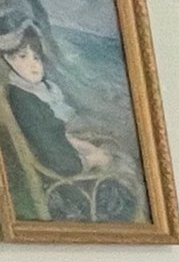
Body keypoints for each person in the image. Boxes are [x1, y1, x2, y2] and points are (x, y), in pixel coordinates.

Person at [1, 18, 112, 179]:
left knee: (109, 151)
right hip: (62, 177)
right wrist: (92, 160)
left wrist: (82, 145)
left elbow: (56, 133)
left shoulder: (37, 92)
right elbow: (53, 155)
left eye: (36, 57)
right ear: (8, 59)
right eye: (23, 56)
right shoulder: (23, 100)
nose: (33, 65)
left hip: (68, 155)